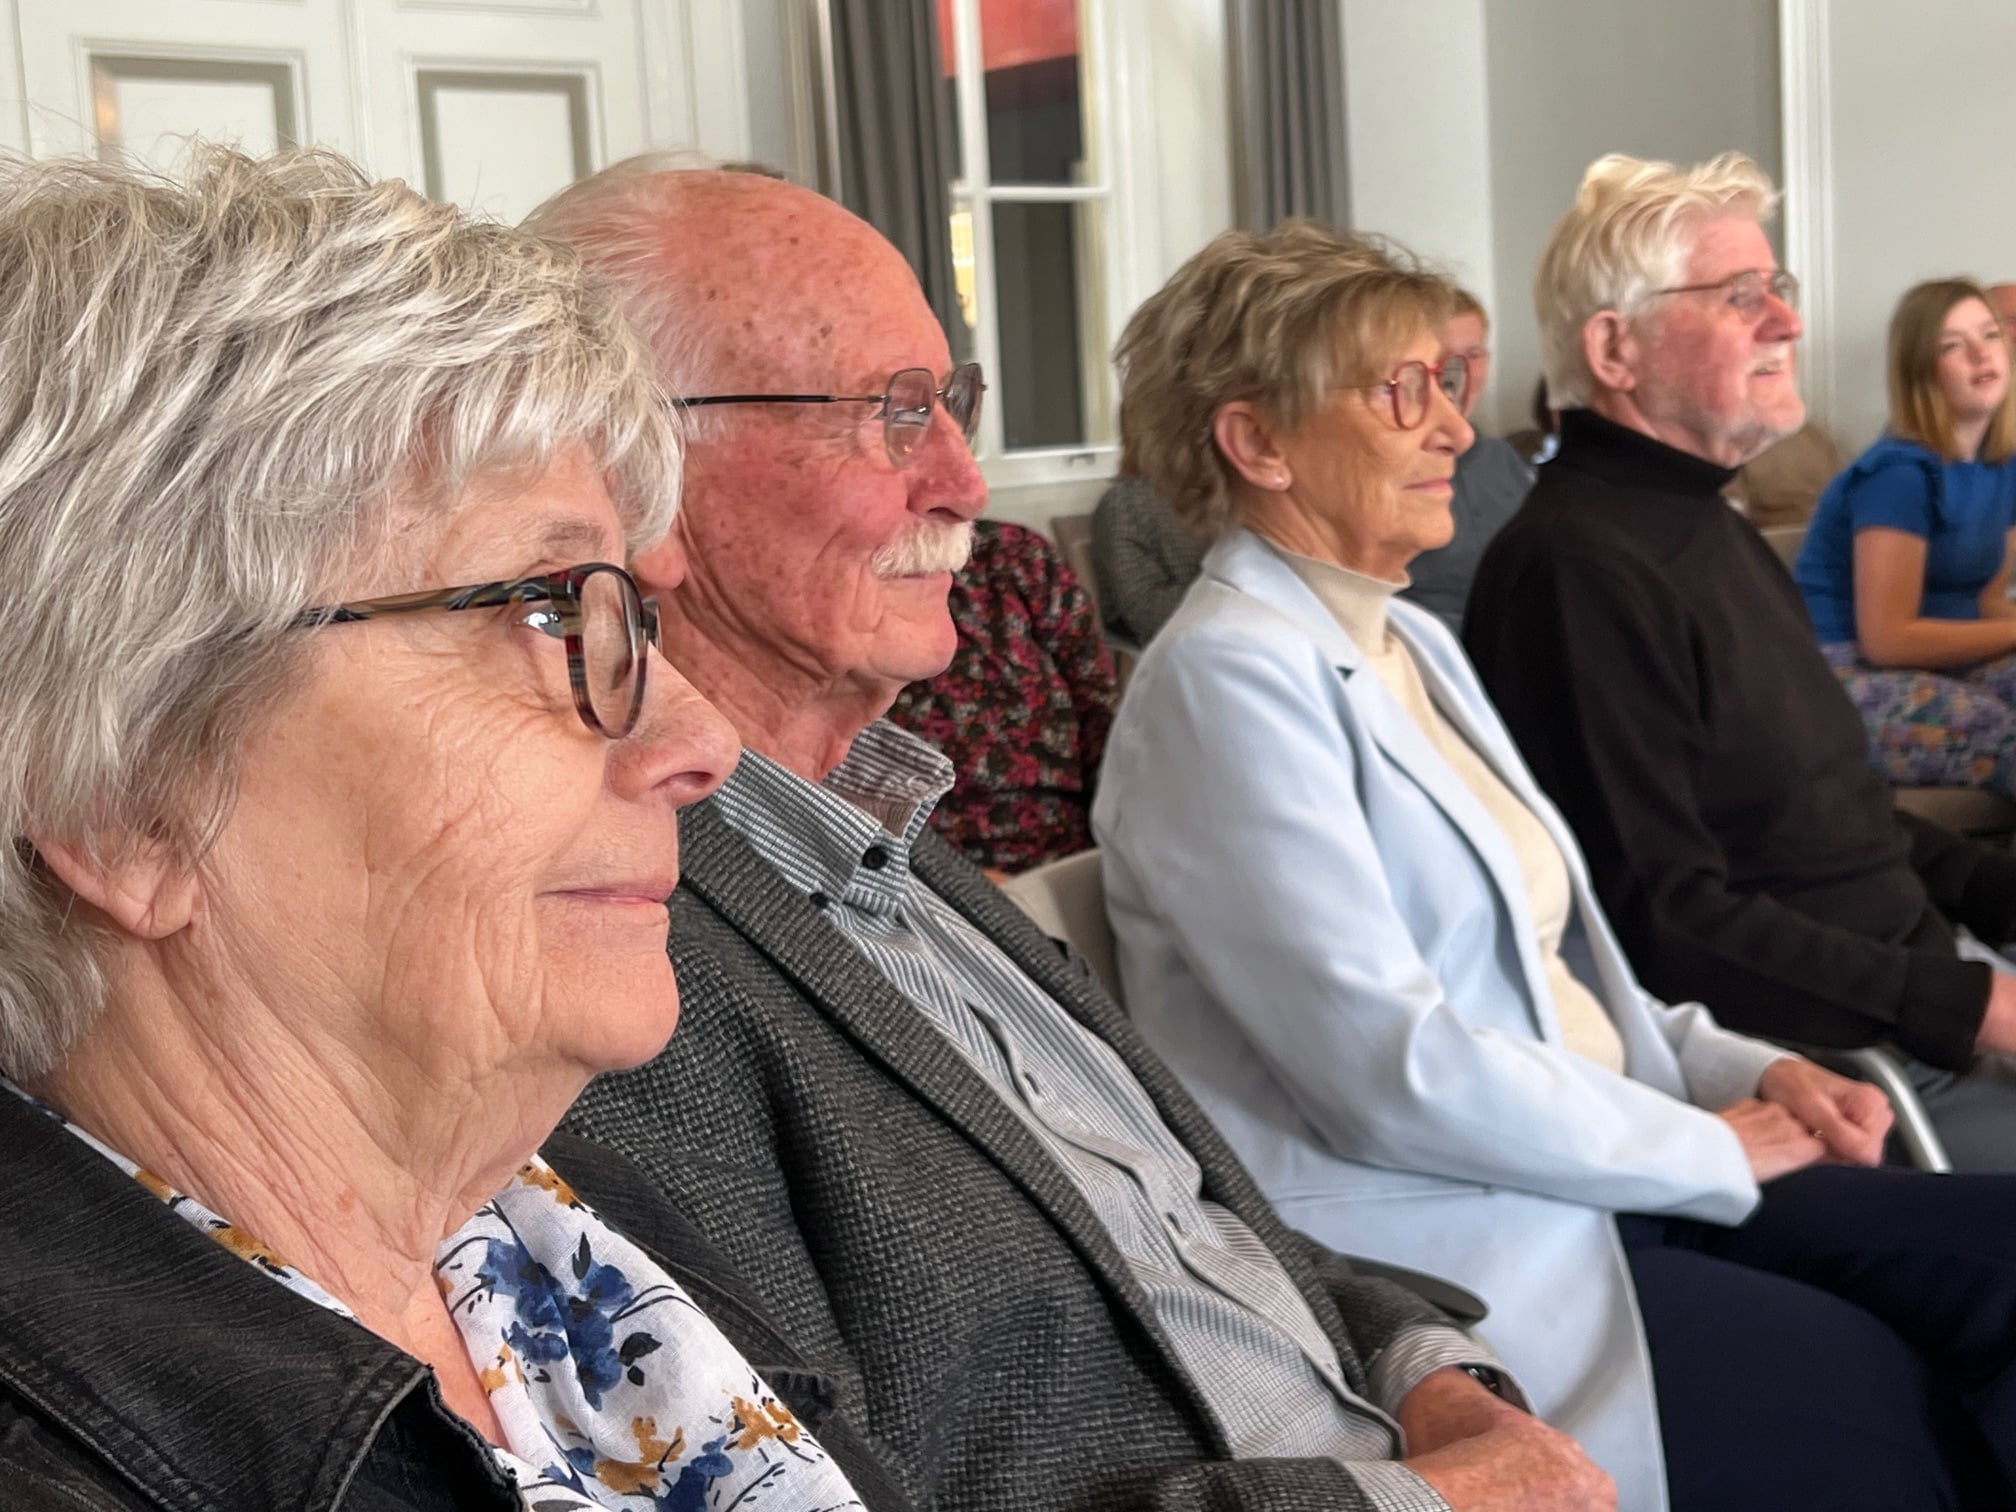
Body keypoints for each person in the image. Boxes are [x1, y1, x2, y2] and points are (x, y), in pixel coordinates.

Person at [531, 161, 1617, 1512]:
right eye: (894, 412)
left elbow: (1213, 1225)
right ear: (633, 468)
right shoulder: (619, 947)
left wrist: (1435, 1376)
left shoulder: (892, 841)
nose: (965, 479)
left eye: (954, 403)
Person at [0, 147, 911, 1512]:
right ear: (127, 794)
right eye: (547, 609)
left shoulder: (558, 1225)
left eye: (626, 618)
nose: (699, 742)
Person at [1096, 212, 2016, 1512]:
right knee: (1884, 1409)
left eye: (1447, 383)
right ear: (1258, 442)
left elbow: (1561, 969)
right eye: (1401, 390)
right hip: (1459, 1237)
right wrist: (1711, 1144)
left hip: (1604, 1165)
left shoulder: (1407, 642)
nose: (1455, 430)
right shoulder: (1223, 683)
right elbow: (1389, 1072)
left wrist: (1741, 1066)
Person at [1464, 152, 2016, 1173]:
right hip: (1862, 1073)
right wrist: (1970, 1005)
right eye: (1739, 295)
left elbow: (1823, 817)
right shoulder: (1575, 571)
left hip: (1932, 994)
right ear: (1615, 348)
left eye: (1778, 287)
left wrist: (1994, 895)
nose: (1788, 322)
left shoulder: (1703, 524)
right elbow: (1662, 919)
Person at [1793, 279, 2016, 794]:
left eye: (1990, 334)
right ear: (1922, 372)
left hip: (1941, 661)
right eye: (1953, 345)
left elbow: (1985, 602)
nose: (1981, 353)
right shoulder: (1900, 473)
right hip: (1843, 670)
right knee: (1999, 733)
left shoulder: (2002, 464)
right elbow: (1887, 639)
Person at [884, 517, 1118, 874]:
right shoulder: (836, 587)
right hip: (918, 868)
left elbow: (1099, 706)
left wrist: (1123, 837)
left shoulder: (1015, 555)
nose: (968, 495)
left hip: (1076, 845)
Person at [1399, 288, 1535, 636]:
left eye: (1474, 355)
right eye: (1445, 356)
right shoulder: (1393, 467)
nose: (1463, 373)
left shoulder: (1502, 458)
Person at [1092, 472, 1206, 644]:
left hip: (1220, 621)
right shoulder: (1126, 502)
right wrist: (1219, 599)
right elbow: (1145, 610)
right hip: (1178, 635)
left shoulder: (1218, 497)